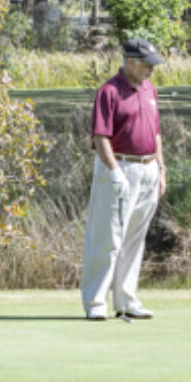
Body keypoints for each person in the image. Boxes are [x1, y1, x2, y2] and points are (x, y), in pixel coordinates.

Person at [80, 38, 166, 321]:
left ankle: (126, 299)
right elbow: (100, 136)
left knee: (134, 240)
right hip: (120, 167)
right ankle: (95, 302)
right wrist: (114, 171)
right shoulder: (109, 91)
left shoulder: (149, 89)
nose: (152, 69)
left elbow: (155, 133)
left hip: (148, 169)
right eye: (147, 64)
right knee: (108, 239)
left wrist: (161, 169)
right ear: (130, 62)